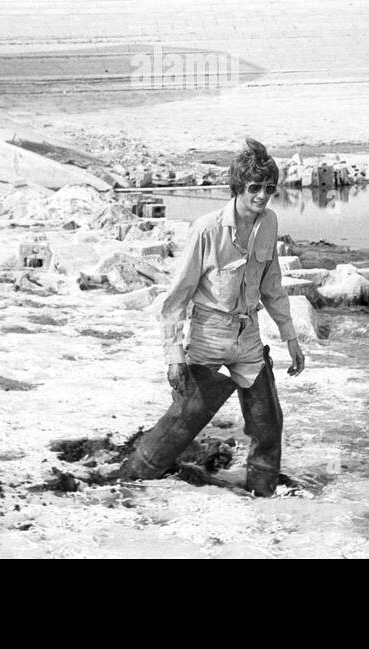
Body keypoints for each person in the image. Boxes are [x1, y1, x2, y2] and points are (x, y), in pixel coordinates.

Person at [118, 137, 306, 496]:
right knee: (185, 420)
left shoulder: (269, 224)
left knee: (268, 423)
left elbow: (273, 287)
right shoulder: (206, 229)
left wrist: (291, 338)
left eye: (269, 188)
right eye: (255, 188)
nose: (263, 196)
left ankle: (262, 491)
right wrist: (173, 356)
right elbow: (176, 300)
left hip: (248, 334)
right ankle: (133, 475)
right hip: (208, 332)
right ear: (238, 187)